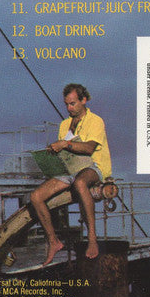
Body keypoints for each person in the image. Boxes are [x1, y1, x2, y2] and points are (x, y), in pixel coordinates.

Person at [30, 83, 112, 265]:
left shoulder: (96, 121)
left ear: (84, 100)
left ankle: (92, 238)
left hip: (94, 166)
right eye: (66, 104)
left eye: (73, 104)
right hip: (70, 170)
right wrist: (53, 152)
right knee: (36, 197)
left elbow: (89, 148)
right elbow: (65, 153)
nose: (69, 108)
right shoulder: (64, 124)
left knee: (80, 183)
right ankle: (54, 242)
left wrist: (65, 144)